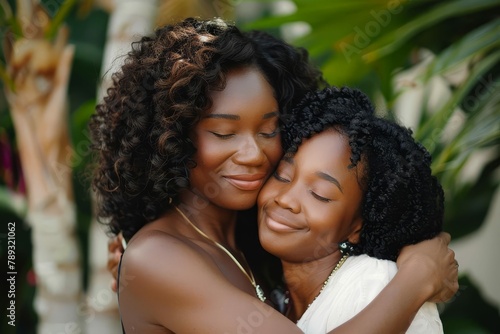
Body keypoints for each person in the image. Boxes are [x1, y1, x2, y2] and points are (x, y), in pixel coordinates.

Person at [92, 18, 458, 333]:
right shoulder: (158, 257)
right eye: (224, 134)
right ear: (170, 137)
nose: (254, 154)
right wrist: (416, 279)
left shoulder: (257, 238)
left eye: (268, 130)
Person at [257, 86, 448, 332]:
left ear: (356, 226)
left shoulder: (375, 285)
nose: (286, 199)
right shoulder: (279, 298)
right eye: (283, 176)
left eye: (319, 194)